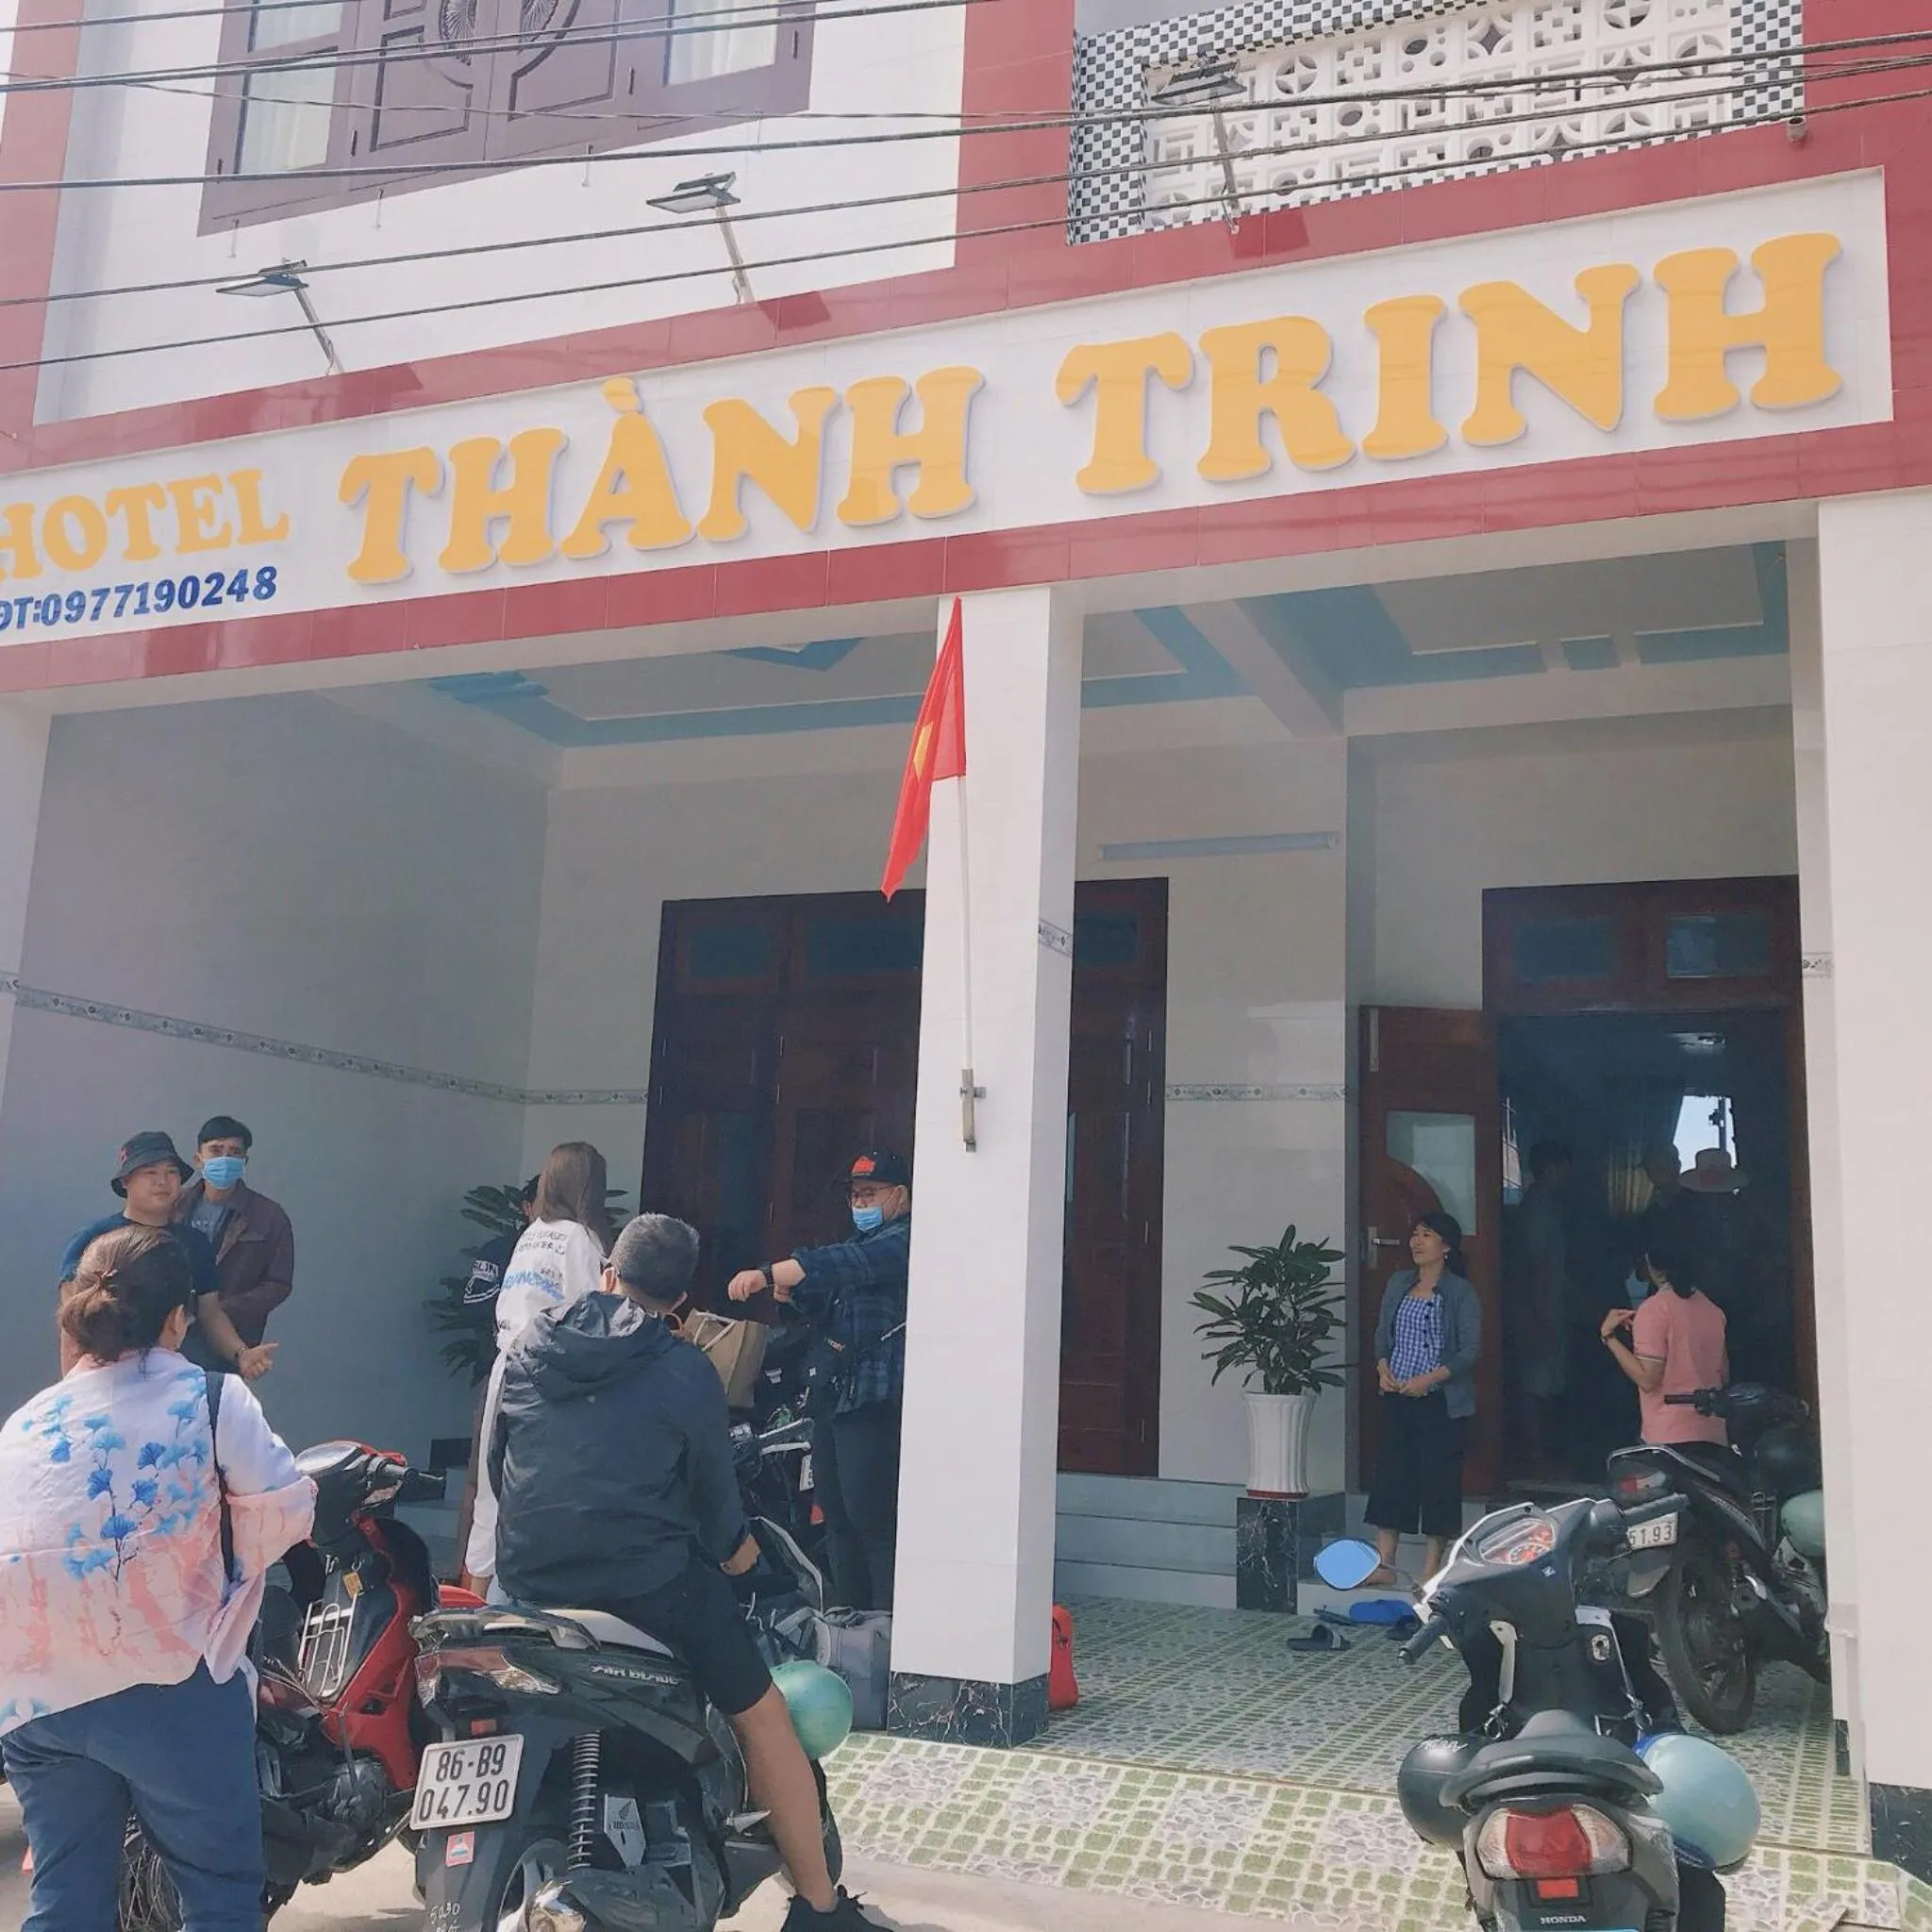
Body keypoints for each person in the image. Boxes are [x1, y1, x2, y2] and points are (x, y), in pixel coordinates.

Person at [491, 1214, 875, 1931]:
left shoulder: (528, 1346)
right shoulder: (685, 1368)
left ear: (609, 1270)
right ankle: (821, 1907)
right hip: (648, 1588)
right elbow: (718, 1513)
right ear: (680, 1301)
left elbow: (498, 1464)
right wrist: (746, 1564)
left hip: (526, 1584)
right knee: (764, 1717)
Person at [0, 1224, 315, 1929]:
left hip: (36, 1698)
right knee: (218, 1894)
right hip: (168, 1686)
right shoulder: (209, 1399)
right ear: (178, 1318)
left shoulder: (26, 1422)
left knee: (65, 1900)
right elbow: (284, 1510)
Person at [727, 1151, 910, 1612]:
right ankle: (849, 1624)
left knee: (874, 1524)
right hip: (834, 1399)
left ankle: (886, 1628)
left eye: (870, 1194)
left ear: (901, 1196)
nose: (860, 1202)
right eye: (855, 1195)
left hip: (875, 1401)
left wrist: (772, 1273)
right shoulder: (854, 1244)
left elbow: (845, 1263)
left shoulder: (904, 1242)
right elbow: (825, 1306)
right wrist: (792, 1296)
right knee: (837, 1521)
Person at [462, 1142, 613, 1591]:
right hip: (547, 1379)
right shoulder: (583, 1240)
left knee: (490, 1497)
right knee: (539, 1494)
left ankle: (470, 1611)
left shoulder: (533, 1232)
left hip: (505, 1364)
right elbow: (593, 1316)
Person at [58, 1131, 269, 1384]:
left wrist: (241, 1354)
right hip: (107, 1380)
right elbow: (72, 1322)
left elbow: (210, 1312)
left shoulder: (195, 1243)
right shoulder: (92, 1239)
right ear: (126, 1181)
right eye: (150, 1173)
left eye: (171, 1172)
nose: (163, 1181)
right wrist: (71, 1386)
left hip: (177, 1381)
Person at [1364, 1211, 1482, 1590]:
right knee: (1391, 1474)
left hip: (1440, 1400)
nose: (1416, 1242)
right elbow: (1383, 1333)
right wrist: (1383, 1369)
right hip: (1398, 1395)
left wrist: (1428, 1380)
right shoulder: (1399, 1283)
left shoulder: (1460, 1292)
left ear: (1445, 1246)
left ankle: (1432, 1568)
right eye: (1415, 1234)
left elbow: (1469, 1351)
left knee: (1438, 1478)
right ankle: (1384, 1562)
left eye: (1426, 1235)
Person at [452, 1176, 538, 1572]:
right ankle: (462, 1578)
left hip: (552, 1387)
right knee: (480, 1477)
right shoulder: (501, 1250)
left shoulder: (582, 1249)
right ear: (526, 1207)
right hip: (502, 1374)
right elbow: (473, 1302)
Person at [173, 1116, 296, 1354]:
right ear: (198, 1159)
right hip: (168, 1331)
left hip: (231, 1338)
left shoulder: (269, 1216)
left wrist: (219, 1310)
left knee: (220, 1391)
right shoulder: (174, 1204)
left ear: (244, 1161)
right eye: (216, 1150)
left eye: (234, 1152)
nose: (225, 1159)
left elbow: (278, 1284)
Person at [1601, 1230, 1730, 1450]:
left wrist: (1610, 1337)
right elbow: (1724, 1375)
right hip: (1713, 1433)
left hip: (1668, 1437)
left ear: (1651, 1265)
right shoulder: (1713, 1311)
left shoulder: (1654, 1310)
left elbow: (1648, 1380)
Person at [1507, 1141, 1574, 1476]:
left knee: (1546, 1382)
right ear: (1550, 1170)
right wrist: (1535, 1313)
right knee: (1534, 1385)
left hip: (1548, 1307)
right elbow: (1531, 1266)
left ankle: (1542, 1453)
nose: (1568, 1176)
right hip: (1537, 1309)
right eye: (1564, 1169)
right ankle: (1534, 1457)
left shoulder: (1548, 1207)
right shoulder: (1537, 1210)